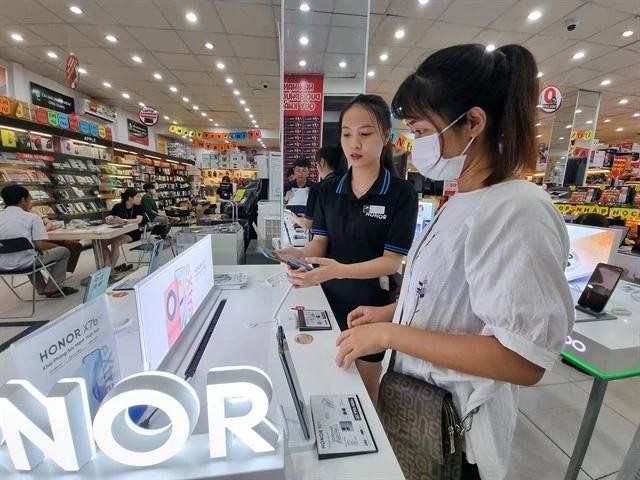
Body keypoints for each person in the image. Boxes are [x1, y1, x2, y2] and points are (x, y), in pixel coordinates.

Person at [334, 44, 574, 479]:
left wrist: (392, 333)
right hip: (417, 410)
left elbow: (522, 359)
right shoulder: (461, 200)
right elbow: (453, 300)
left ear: (474, 123)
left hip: (456, 436)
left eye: (423, 131)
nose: (416, 144)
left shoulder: (518, 209)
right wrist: (391, 313)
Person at [281, 94, 418, 403]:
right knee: (325, 379)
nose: (354, 143)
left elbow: (391, 263)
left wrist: (339, 270)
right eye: (346, 134)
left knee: (366, 392)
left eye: (365, 133)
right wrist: (298, 255)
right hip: (325, 300)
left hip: (369, 308)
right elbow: (319, 243)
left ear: (385, 136)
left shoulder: (400, 194)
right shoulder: (329, 188)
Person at [0, 185, 78, 297]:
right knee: (63, 251)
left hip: (2, 265)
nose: (29, 202)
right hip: (26, 263)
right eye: (29, 199)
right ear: (22, 199)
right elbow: (40, 245)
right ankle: (52, 288)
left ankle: (41, 288)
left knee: (29, 253)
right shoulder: (31, 217)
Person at [288, 145, 346, 232]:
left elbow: (307, 225)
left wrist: (294, 218)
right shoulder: (346, 184)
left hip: (323, 240)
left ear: (322, 162)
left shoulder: (318, 188)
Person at [102, 188, 144, 271]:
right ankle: (107, 265)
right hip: (117, 231)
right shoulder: (118, 207)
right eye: (137, 197)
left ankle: (110, 270)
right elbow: (111, 218)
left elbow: (138, 220)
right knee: (101, 243)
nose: (139, 198)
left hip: (133, 233)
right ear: (130, 198)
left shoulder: (139, 207)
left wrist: (122, 221)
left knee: (115, 242)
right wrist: (110, 220)